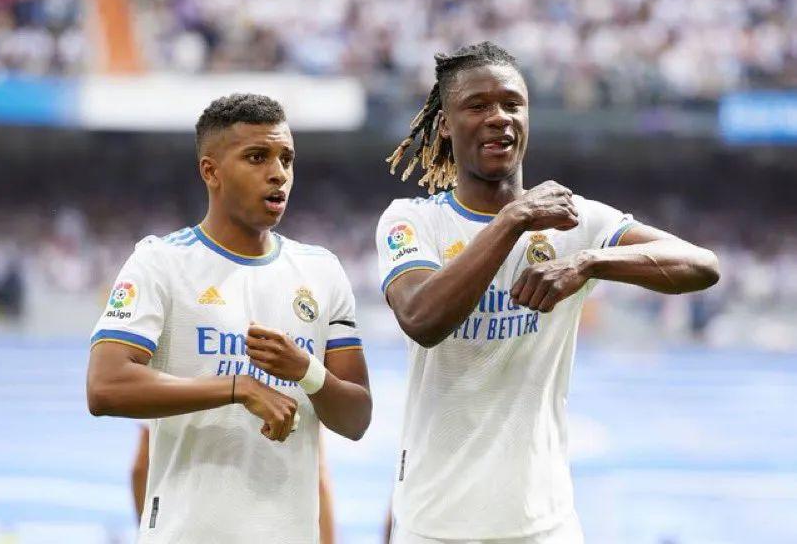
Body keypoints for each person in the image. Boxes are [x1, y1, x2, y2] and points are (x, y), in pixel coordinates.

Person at [376, 41, 719, 544]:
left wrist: (588, 261)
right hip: (433, 525)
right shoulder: (412, 221)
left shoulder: (571, 220)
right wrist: (513, 219)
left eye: (512, 104)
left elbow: (702, 266)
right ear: (445, 124)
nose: (499, 117)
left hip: (544, 525)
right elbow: (421, 318)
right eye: (478, 105)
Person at [87, 93, 372, 543]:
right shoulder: (160, 262)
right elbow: (105, 387)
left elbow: (356, 419)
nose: (278, 173)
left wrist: (307, 371)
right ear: (211, 171)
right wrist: (239, 388)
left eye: (286, 159)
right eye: (257, 157)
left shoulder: (321, 270)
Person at [130, 425, 338, 544]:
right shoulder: (295, 374)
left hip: (187, 530)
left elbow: (140, 469)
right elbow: (318, 477)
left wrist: (153, 531)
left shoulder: (179, 375)